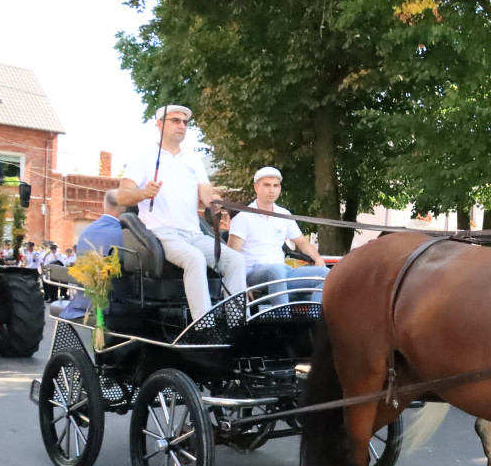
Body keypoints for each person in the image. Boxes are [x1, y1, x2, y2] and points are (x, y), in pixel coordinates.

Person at [117, 105, 245, 322]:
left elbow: (205, 191)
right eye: (175, 120)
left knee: (236, 260)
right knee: (194, 259)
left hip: (194, 234)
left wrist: (213, 199)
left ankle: (237, 322)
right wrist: (143, 193)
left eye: (185, 123)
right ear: (159, 125)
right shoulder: (143, 156)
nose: (182, 126)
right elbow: (122, 197)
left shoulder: (193, 160)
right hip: (162, 233)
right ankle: (204, 325)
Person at [227, 166, 328, 304]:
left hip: (282, 271)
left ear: (280, 188)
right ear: (256, 188)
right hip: (254, 273)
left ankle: (315, 321)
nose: (272, 190)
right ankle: (283, 320)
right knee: (276, 270)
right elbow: (231, 256)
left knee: (325, 275)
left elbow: (303, 243)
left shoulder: (284, 214)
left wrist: (318, 260)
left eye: (275, 186)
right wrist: (241, 284)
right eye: (267, 185)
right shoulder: (243, 218)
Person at [61, 189, 125, 321]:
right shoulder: (125, 233)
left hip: (83, 300)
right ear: (125, 206)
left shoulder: (85, 231)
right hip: (110, 304)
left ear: (103, 205)